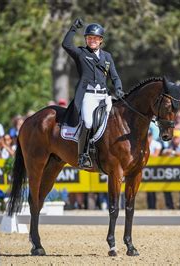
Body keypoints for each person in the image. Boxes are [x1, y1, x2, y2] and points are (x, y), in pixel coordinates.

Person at [62, 18, 124, 168]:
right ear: (86, 39)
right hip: (88, 95)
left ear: (101, 40)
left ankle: (110, 151)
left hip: (104, 95)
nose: (92, 41)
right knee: (88, 122)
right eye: (89, 38)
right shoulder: (81, 53)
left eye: (95, 38)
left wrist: (119, 88)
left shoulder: (107, 57)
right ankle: (83, 155)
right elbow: (66, 44)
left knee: (116, 120)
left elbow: (114, 76)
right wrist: (73, 28)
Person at [146, 131, 162, 209]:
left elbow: (155, 155)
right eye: (147, 135)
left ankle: (154, 206)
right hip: (146, 168)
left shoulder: (157, 144)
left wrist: (146, 154)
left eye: (149, 136)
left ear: (152, 136)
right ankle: (150, 207)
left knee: (154, 189)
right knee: (148, 190)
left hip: (155, 169)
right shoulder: (143, 143)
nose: (148, 137)